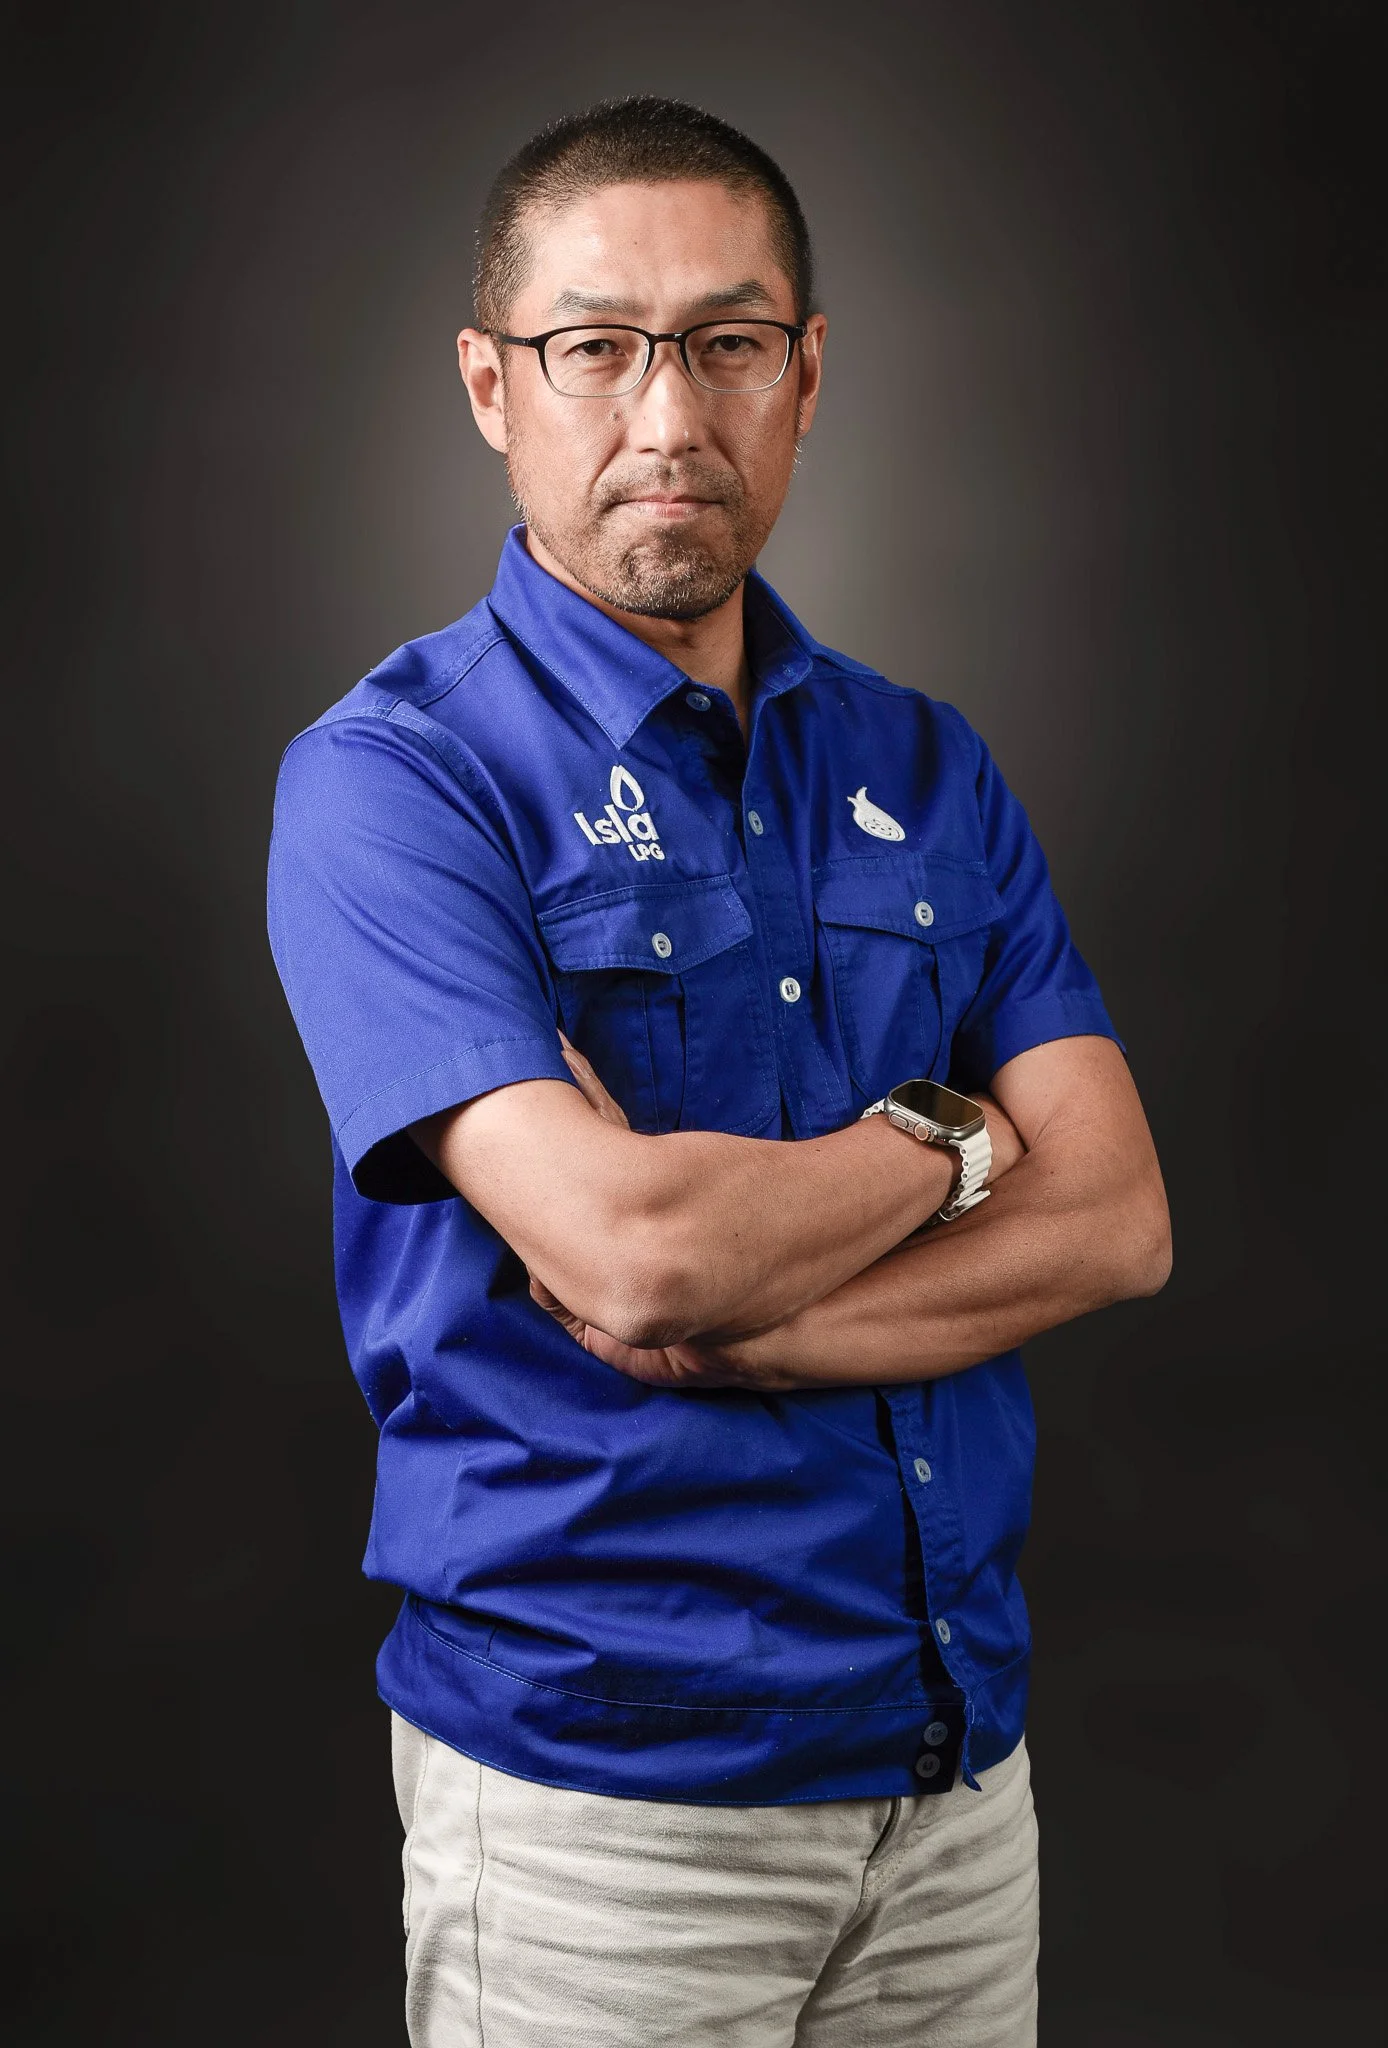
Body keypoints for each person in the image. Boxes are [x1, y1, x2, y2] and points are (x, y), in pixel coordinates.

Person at [267, 93, 1170, 2048]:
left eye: (727, 347)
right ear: (491, 386)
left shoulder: (930, 767)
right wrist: (957, 1132)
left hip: (950, 1784)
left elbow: (1117, 1218)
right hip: (606, 1811)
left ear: (806, 374)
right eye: (595, 349)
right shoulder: (394, 784)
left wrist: (755, 1314)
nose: (665, 418)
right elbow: (635, 1258)